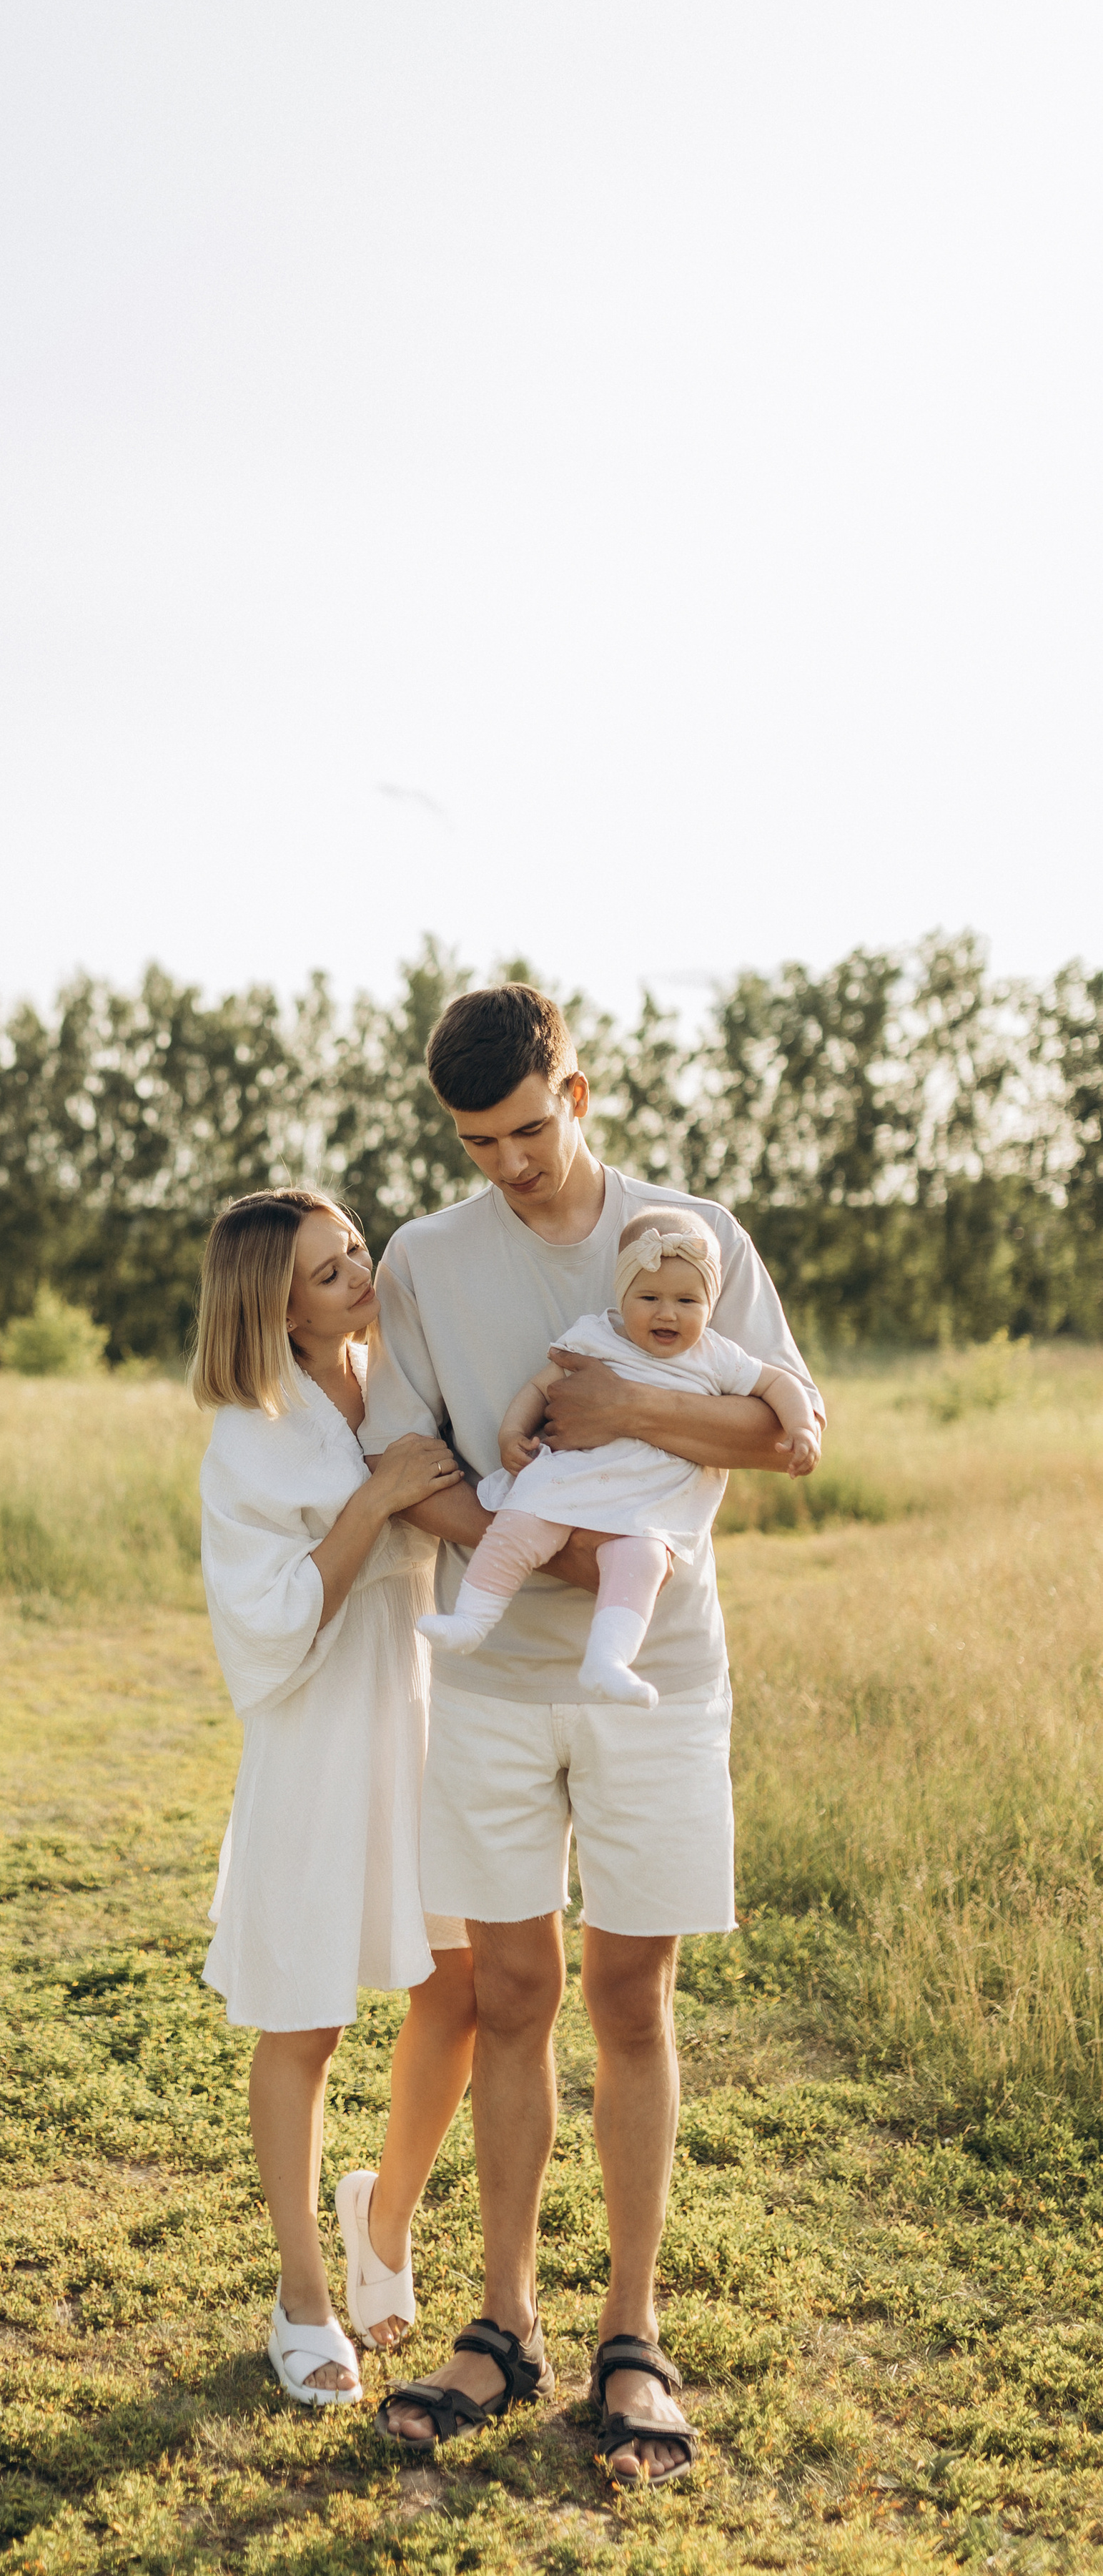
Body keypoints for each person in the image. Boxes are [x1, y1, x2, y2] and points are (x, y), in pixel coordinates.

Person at [360, 986, 823, 2484]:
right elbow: (408, 1456)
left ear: (577, 1090)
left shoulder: (694, 1240)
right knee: (508, 1991)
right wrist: (554, 1556)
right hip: (494, 1685)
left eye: (526, 1128)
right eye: (475, 1141)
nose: (507, 1163)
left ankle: (632, 2334)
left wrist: (624, 1404)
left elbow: (786, 1435)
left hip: (659, 1676)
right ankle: (502, 2325)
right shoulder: (425, 1259)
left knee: (631, 1996)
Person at [194, 1189, 480, 2408]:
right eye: (328, 1272)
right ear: (275, 1308)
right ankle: (304, 2296)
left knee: (463, 1991)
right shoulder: (248, 1439)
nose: (361, 1274)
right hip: (319, 1728)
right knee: (304, 2019)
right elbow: (263, 1627)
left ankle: (385, 2216)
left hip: (424, 1702)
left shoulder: (402, 1373)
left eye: (356, 1249)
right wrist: (373, 1497)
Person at [419, 1209, 822, 1704]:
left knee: (642, 1563)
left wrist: (802, 1427)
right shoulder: (597, 1337)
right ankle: (470, 1619)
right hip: (574, 1475)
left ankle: (609, 1660)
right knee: (518, 1525)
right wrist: (511, 1432)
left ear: (711, 1304)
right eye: (649, 1298)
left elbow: (781, 1384)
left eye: (687, 1301)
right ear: (622, 1294)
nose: (667, 1314)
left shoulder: (717, 1356)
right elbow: (541, 1386)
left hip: (650, 1501)